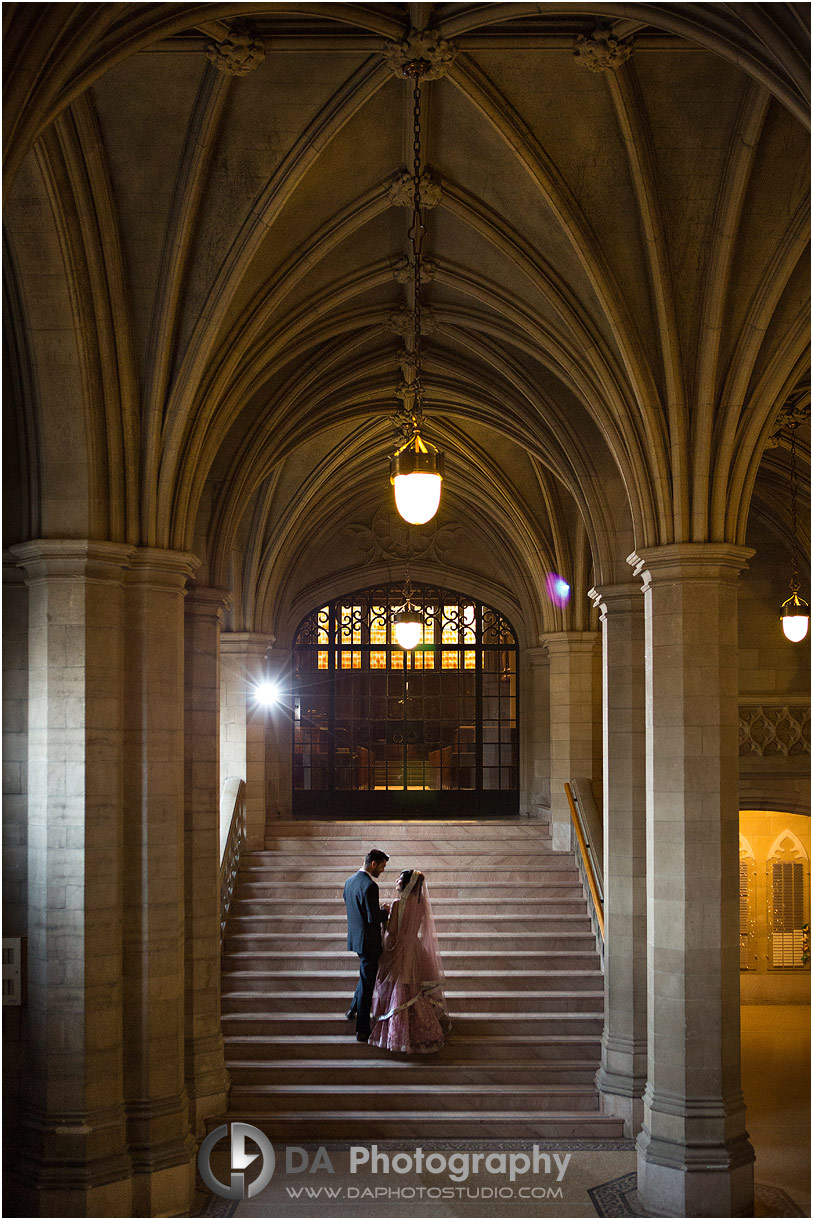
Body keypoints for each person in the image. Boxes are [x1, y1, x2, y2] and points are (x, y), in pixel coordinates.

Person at [368, 869, 451, 1054]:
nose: (397, 881)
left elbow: (393, 930)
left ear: (406, 884)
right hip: (414, 947)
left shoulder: (399, 903)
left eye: (399, 879)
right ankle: (423, 1030)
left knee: (400, 987)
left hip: (400, 949)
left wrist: (386, 914)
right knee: (412, 987)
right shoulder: (421, 905)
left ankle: (399, 1034)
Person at [343, 849, 390, 1042]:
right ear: (373, 864)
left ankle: (353, 1008)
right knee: (368, 984)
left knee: (365, 975)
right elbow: (373, 918)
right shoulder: (371, 886)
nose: (382, 870)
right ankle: (362, 1029)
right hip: (369, 943)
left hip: (356, 938)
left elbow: (354, 908)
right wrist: (385, 911)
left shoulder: (349, 882)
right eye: (382, 866)